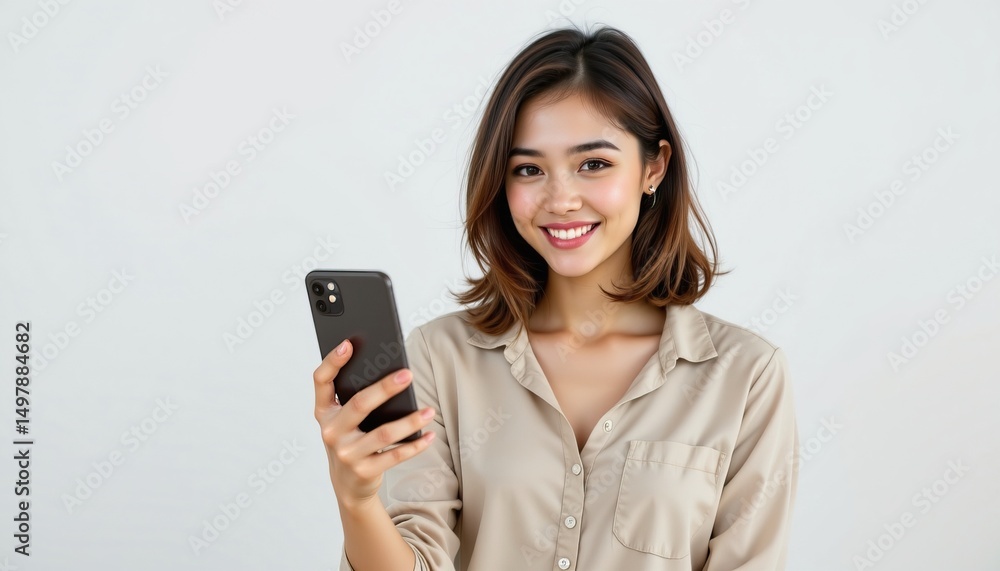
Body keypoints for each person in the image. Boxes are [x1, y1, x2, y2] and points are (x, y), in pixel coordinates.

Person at [313, 23, 799, 571]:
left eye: (593, 163)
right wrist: (356, 501)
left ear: (654, 166)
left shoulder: (745, 377)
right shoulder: (439, 359)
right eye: (529, 169)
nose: (560, 198)